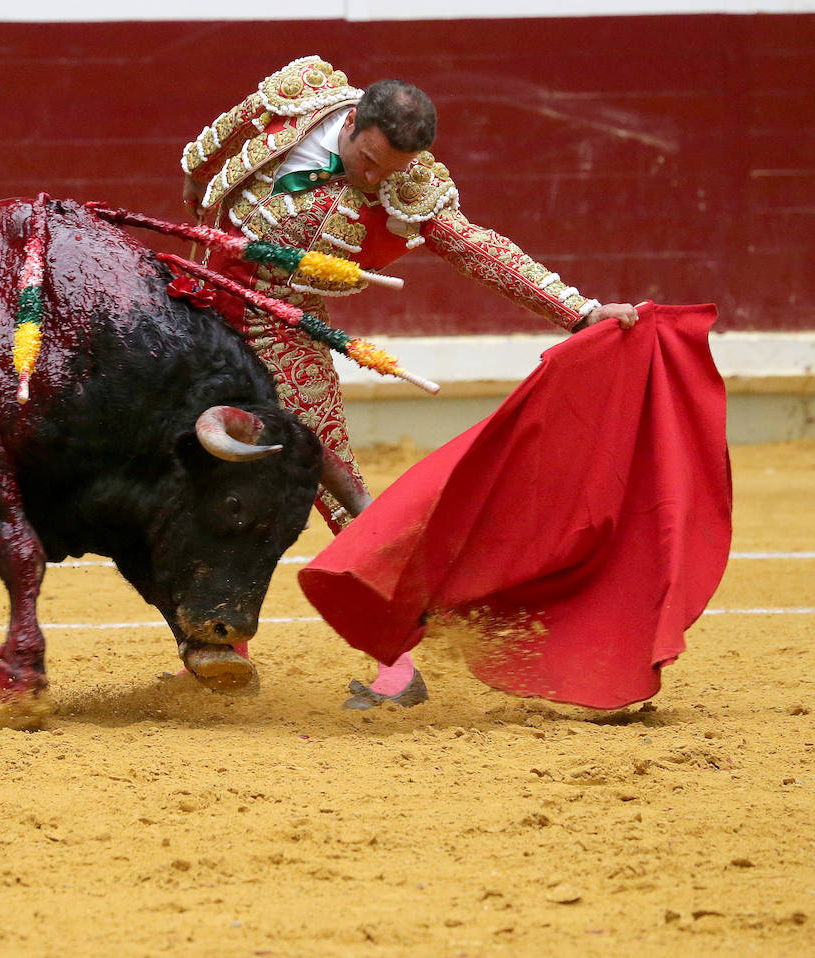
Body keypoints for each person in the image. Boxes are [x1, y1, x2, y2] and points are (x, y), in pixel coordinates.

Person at [177, 55, 638, 709]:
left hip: (282, 334)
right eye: (368, 162)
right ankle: (218, 648)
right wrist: (195, 213)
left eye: (390, 171)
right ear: (352, 120)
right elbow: (206, 158)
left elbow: (478, 249)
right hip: (198, 305)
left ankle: (397, 665)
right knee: (202, 475)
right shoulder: (299, 94)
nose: (375, 180)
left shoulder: (409, 184)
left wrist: (579, 311)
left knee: (334, 491)